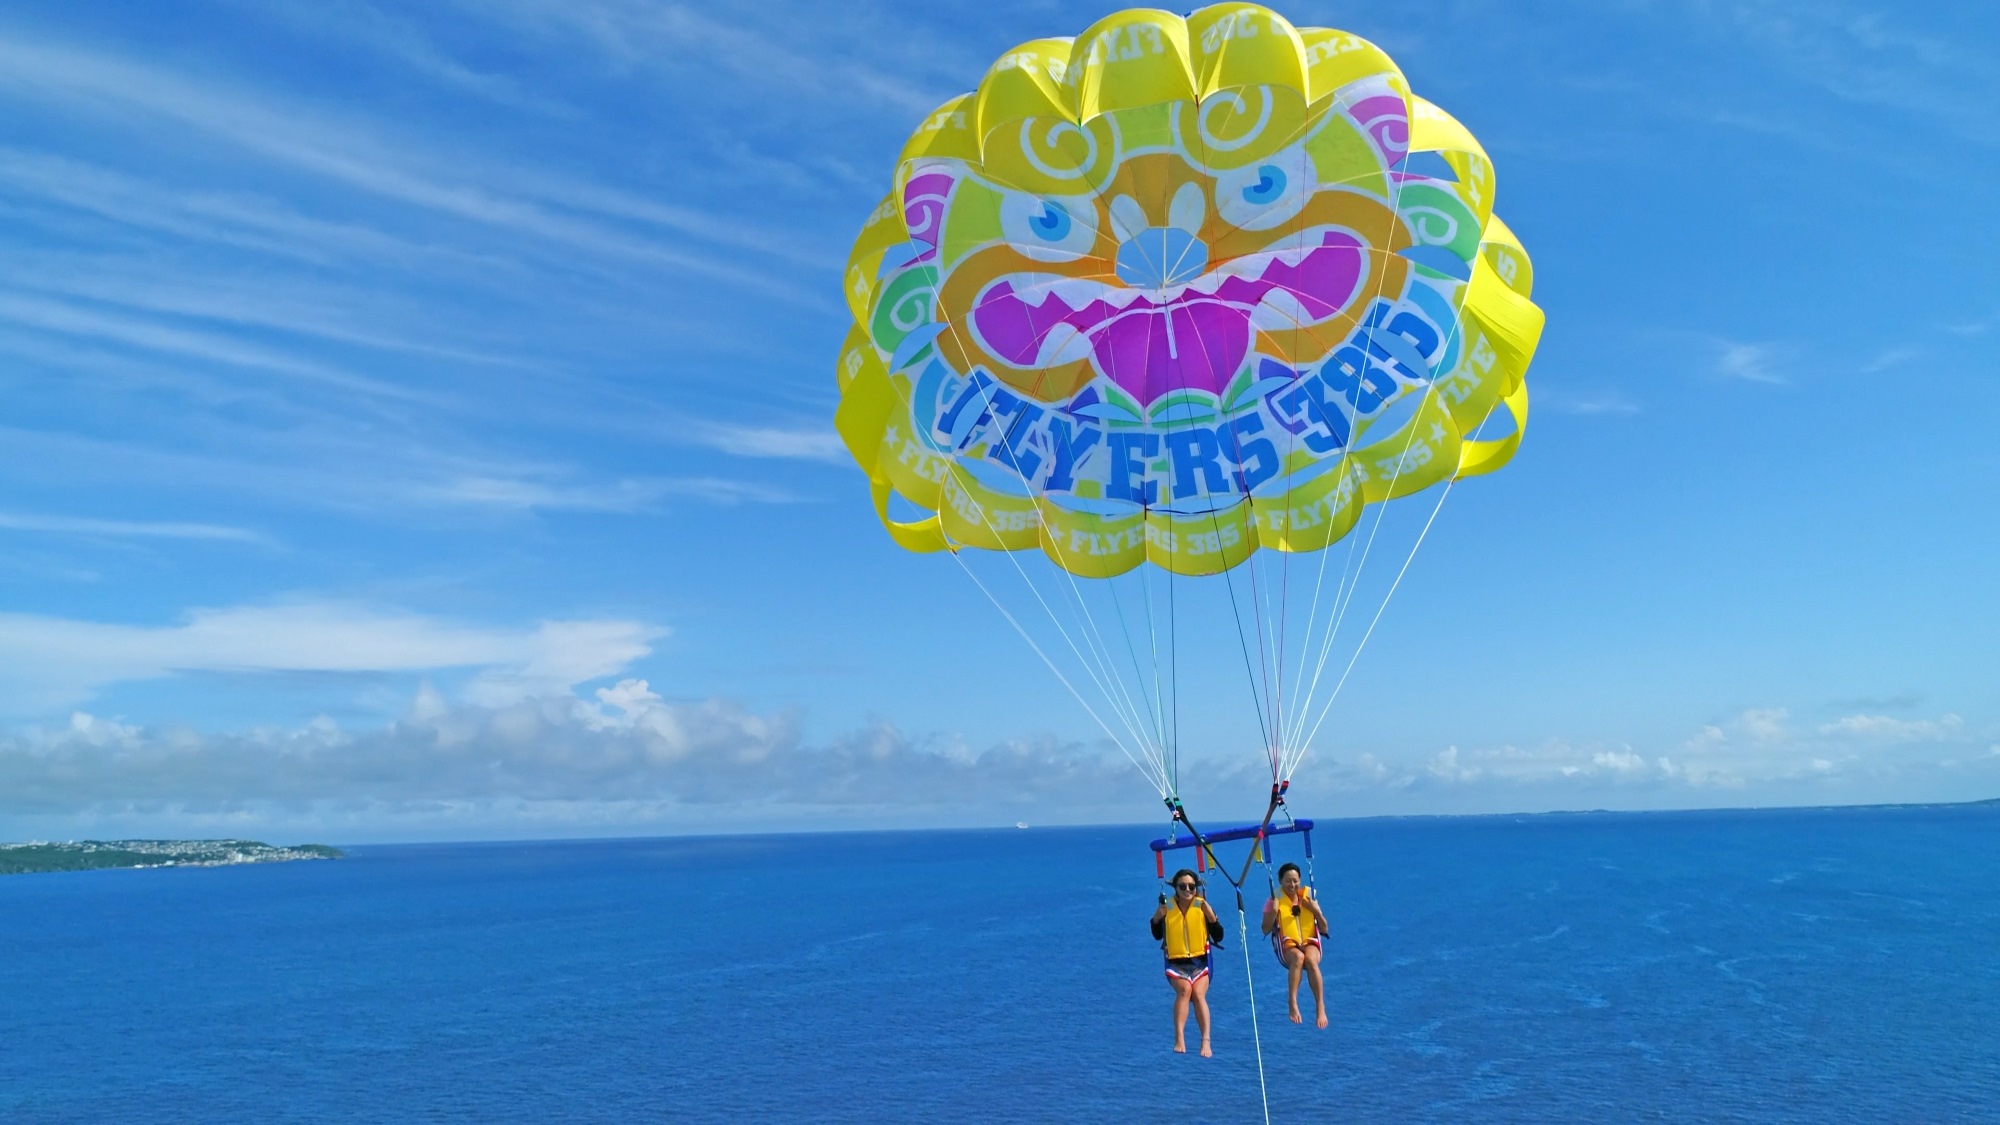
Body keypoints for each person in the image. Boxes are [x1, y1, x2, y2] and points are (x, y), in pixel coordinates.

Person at [1151, 868, 1224, 1056]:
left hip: (1201, 960)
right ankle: (1179, 1037)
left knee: (1198, 994)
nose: (1187, 890)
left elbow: (1219, 936)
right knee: (1185, 990)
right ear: (1175, 887)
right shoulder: (1167, 907)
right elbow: (1157, 935)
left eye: (1191, 886)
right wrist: (1156, 919)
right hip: (1176, 962)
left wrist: (1211, 917)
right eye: (1182, 886)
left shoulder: (1202, 906)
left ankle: (1206, 1041)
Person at [1262, 862, 1329, 1028]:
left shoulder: (1309, 897)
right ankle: (1292, 1002)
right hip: (1287, 945)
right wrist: (1273, 912)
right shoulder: (1273, 901)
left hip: (1310, 941)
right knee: (1299, 958)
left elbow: (1324, 928)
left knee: (1310, 960)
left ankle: (1320, 1006)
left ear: (1300, 880)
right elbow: (1265, 929)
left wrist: (1316, 911)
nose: (1292, 885)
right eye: (1288, 881)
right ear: (1280, 881)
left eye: (1295, 881)